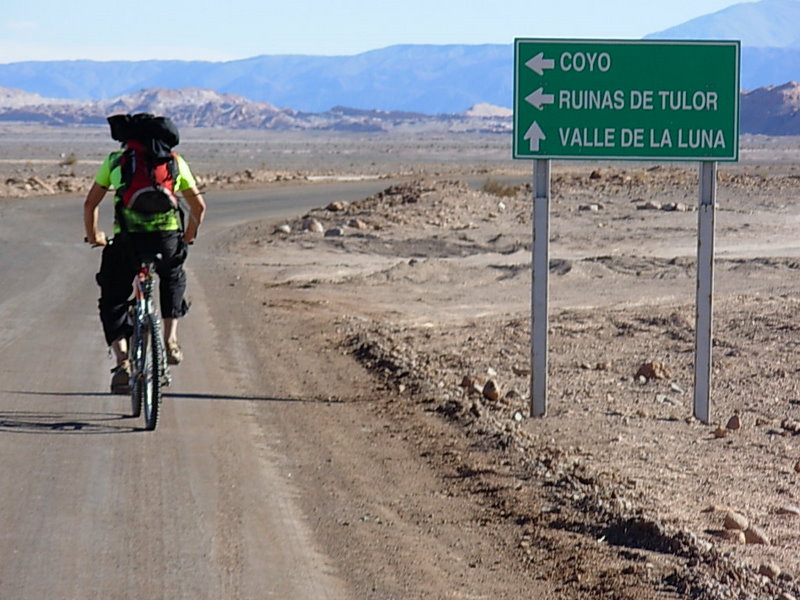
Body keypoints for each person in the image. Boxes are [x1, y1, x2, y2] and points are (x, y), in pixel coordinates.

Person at [83, 113, 206, 394]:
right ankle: (171, 340)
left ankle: (123, 363)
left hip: (128, 241)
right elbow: (199, 209)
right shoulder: (175, 162)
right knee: (173, 276)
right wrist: (187, 237)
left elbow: (90, 204)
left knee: (113, 296)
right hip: (166, 241)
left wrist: (95, 236)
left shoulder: (116, 161)